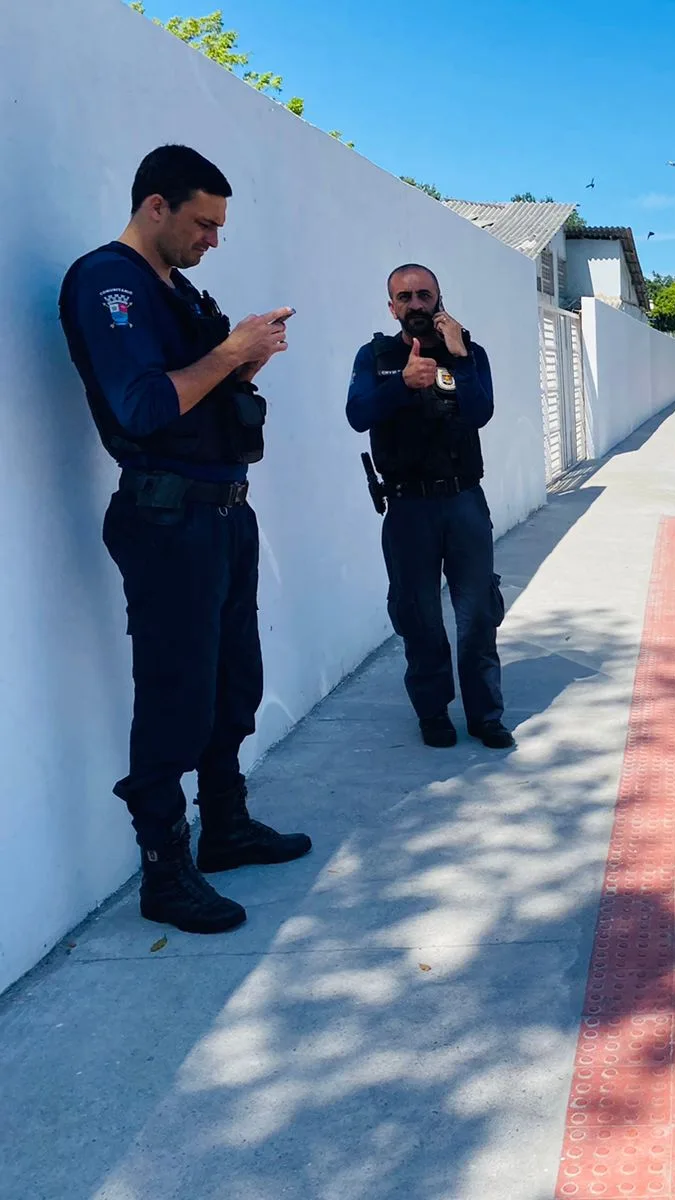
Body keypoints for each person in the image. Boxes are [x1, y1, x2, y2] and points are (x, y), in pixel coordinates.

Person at [58, 145, 312, 935]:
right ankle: (165, 872)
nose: (213, 239)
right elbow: (139, 406)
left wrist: (243, 365)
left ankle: (227, 827)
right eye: (203, 222)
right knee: (175, 695)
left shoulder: (178, 288)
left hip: (223, 514)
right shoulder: (109, 284)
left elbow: (198, 393)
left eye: (220, 225)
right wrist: (229, 354)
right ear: (155, 207)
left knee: (233, 681)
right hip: (166, 520)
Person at [345, 265, 512, 751]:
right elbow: (358, 415)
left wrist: (457, 358)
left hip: (463, 501)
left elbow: (480, 412)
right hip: (406, 507)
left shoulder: (469, 351)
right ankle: (433, 712)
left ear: (439, 298)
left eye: (424, 295)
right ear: (391, 306)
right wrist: (404, 384)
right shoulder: (375, 357)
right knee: (418, 615)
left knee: (479, 612)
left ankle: (485, 715)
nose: (415, 304)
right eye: (405, 297)